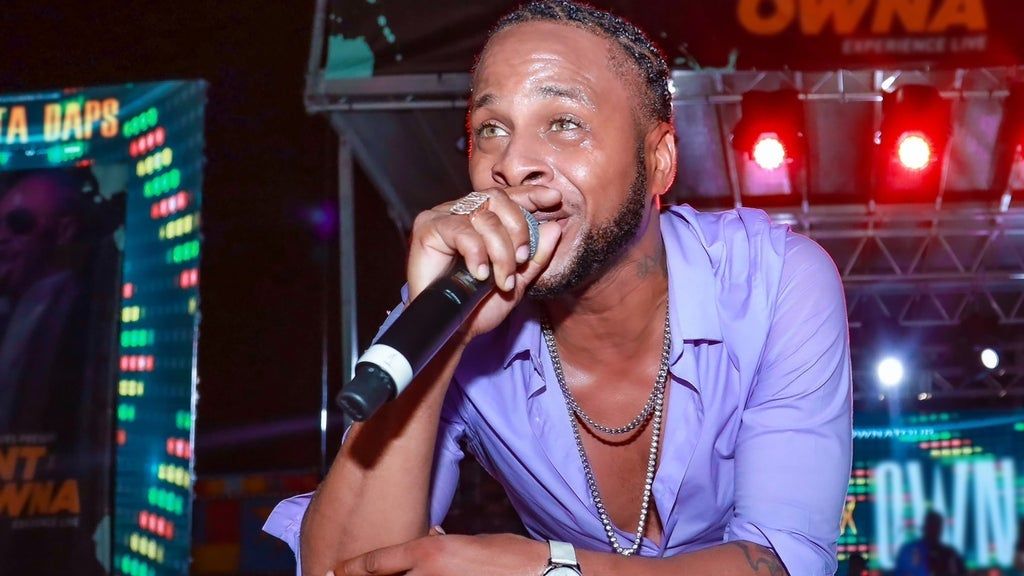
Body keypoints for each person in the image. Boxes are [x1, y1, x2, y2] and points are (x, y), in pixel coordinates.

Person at [265, 1, 852, 575]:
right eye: (491, 129)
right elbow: (339, 567)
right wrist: (447, 341)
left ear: (659, 160)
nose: (513, 162)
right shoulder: (445, 304)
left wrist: (548, 570)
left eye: (564, 123)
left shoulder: (774, 281)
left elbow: (786, 560)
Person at [893, 511, 967, 576]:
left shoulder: (951, 554)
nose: (933, 530)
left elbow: (960, 572)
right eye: (931, 526)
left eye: (936, 527)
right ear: (924, 527)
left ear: (941, 529)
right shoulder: (908, 550)